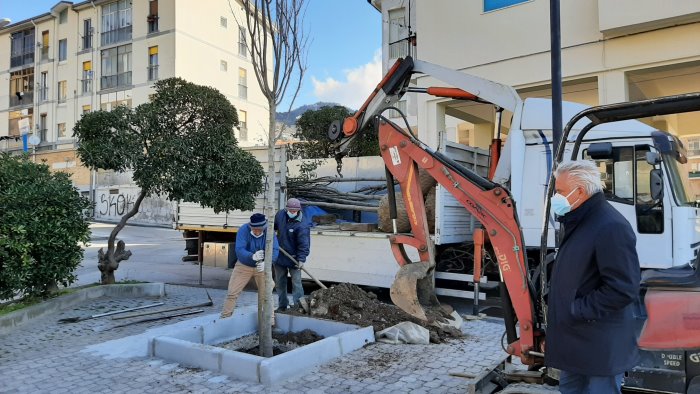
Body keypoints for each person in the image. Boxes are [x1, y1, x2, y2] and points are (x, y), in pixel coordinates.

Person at [545, 160, 641, 394]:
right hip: (577, 341)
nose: (555, 197)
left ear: (580, 191)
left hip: (599, 346)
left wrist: (576, 310)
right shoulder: (580, 220)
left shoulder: (610, 226)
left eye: (559, 191)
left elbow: (622, 288)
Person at [220, 213, 279, 319]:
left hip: (262, 266)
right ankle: (225, 318)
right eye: (254, 229)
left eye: (259, 229)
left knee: (266, 295)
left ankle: (269, 322)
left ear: (264, 227)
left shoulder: (269, 232)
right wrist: (252, 256)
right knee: (232, 293)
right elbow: (239, 249)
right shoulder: (243, 230)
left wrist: (267, 263)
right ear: (250, 226)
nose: (257, 232)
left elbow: (275, 250)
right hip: (243, 265)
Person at [273, 198, 311, 312]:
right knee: (280, 282)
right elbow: (274, 227)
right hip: (280, 256)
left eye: (295, 211)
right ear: (287, 208)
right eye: (291, 210)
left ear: (299, 210)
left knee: (297, 283)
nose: (293, 212)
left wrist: (301, 259)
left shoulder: (302, 225)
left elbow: (304, 244)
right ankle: (282, 305)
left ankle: (298, 307)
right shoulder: (280, 215)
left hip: (294, 258)